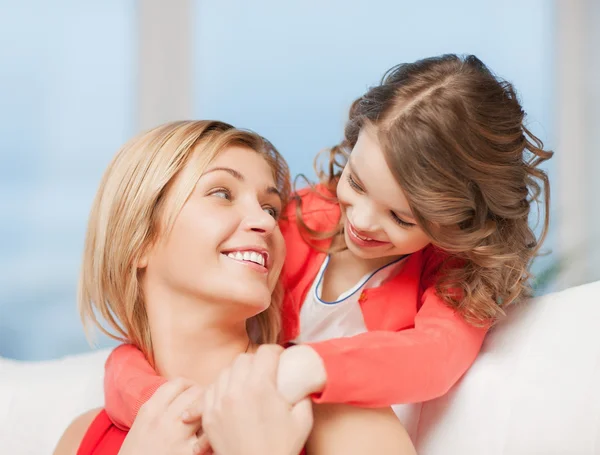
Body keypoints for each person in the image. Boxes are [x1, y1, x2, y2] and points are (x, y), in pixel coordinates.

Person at [104, 53, 553, 446]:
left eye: (401, 218)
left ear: (461, 222)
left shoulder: (451, 276)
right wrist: (167, 409)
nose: (360, 220)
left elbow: (435, 356)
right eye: (355, 182)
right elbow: (141, 346)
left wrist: (303, 367)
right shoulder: (299, 221)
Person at [52, 120, 416, 455]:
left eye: (271, 209)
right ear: (140, 240)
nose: (265, 223)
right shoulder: (81, 438)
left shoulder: (339, 411)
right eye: (222, 194)